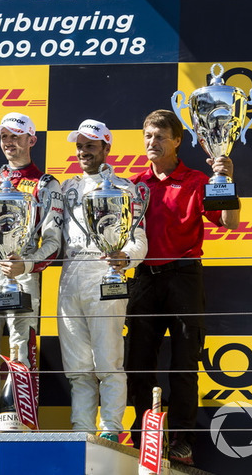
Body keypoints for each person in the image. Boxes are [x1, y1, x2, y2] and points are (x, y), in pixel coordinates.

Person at [126, 109, 240, 466]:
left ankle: (181, 442)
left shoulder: (196, 180)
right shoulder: (134, 184)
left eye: (160, 137)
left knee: (184, 364)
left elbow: (228, 222)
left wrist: (227, 181)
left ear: (177, 141)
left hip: (184, 276)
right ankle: (144, 436)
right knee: (138, 363)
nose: (152, 143)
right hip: (144, 277)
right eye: (148, 136)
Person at [0, 112, 63, 430]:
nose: (9, 143)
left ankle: (20, 431)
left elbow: (53, 240)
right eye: (4, 137)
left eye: (16, 136)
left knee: (20, 358)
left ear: (31, 140)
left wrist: (28, 264)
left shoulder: (46, 183)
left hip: (21, 272)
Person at [58, 119, 147, 442]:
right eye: (79, 146)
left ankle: (111, 429)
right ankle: (82, 430)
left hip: (106, 274)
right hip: (70, 276)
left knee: (108, 360)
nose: (83, 152)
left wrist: (125, 258)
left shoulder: (125, 188)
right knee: (78, 367)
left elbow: (139, 240)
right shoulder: (66, 188)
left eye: (90, 145)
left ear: (107, 148)